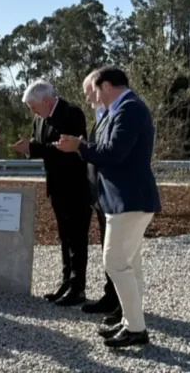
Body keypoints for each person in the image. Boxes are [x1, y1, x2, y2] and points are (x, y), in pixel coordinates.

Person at [56, 65, 161, 348]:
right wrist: (82, 146)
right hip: (126, 199)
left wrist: (79, 146)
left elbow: (114, 153)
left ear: (105, 85)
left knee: (114, 262)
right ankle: (131, 321)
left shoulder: (129, 108)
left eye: (95, 92)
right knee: (130, 264)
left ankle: (136, 329)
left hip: (129, 200)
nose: (95, 99)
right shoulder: (124, 108)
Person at [11, 81, 92, 307]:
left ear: (47, 101)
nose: (32, 112)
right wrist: (28, 148)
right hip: (56, 187)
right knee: (64, 238)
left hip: (75, 187)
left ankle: (78, 288)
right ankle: (66, 283)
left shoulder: (71, 114)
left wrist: (33, 148)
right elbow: (41, 145)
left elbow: (64, 148)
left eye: (34, 107)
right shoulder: (40, 118)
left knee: (77, 239)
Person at [79, 71, 121, 320]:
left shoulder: (118, 113)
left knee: (116, 254)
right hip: (100, 195)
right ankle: (111, 296)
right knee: (108, 249)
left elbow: (109, 152)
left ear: (102, 87)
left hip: (113, 196)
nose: (88, 98)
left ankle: (120, 304)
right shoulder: (100, 115)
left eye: (89, 92)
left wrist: (82, 147)